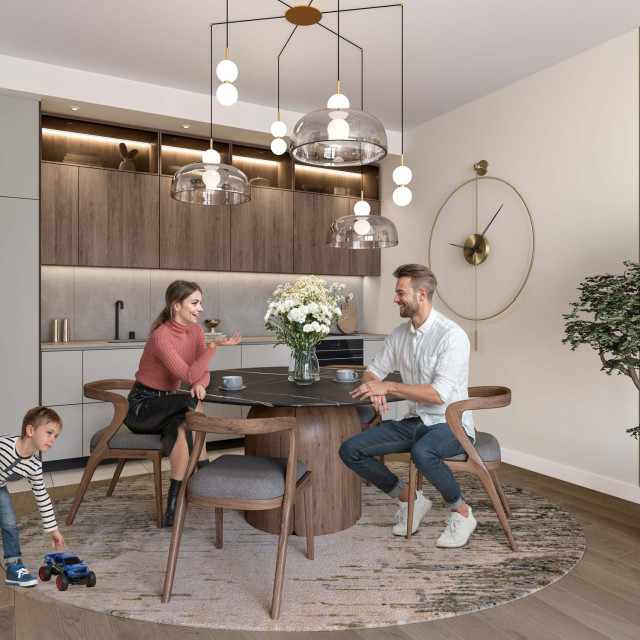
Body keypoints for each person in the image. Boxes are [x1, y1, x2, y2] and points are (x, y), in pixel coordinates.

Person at [339, 264, 477, 547]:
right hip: (417, 422)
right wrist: (373, 385)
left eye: (400, 293)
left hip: (451, 424)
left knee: (422, 453)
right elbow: (374, 370)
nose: (395, 299)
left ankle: (462, 513)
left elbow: (439, 395)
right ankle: (410, 499)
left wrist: (388, 386)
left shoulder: (451, 335)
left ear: (421, 294)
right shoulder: (400, 334)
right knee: (351, 449)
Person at [125, 280, 241, 526]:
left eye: (200, 303)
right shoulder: (161, 337)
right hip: (142, 407)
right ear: (176, 306)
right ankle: (206, 476)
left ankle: (173, 505)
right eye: (195, 303)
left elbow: (200, 371)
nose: (200, 309)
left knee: (181, 425)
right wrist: (214, 346)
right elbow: (189, 376)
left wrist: (201, 382)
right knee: (191, 403)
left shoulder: (196, 331)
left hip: (170, 405)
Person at [1, 407, 66, 587]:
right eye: (49, 433)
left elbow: (42, 496)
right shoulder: (4, 446)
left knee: (9, 523)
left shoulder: (34, 466)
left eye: (56, 436)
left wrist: (53, 530)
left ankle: (14, 567)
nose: (52, 439)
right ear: (30, 430)